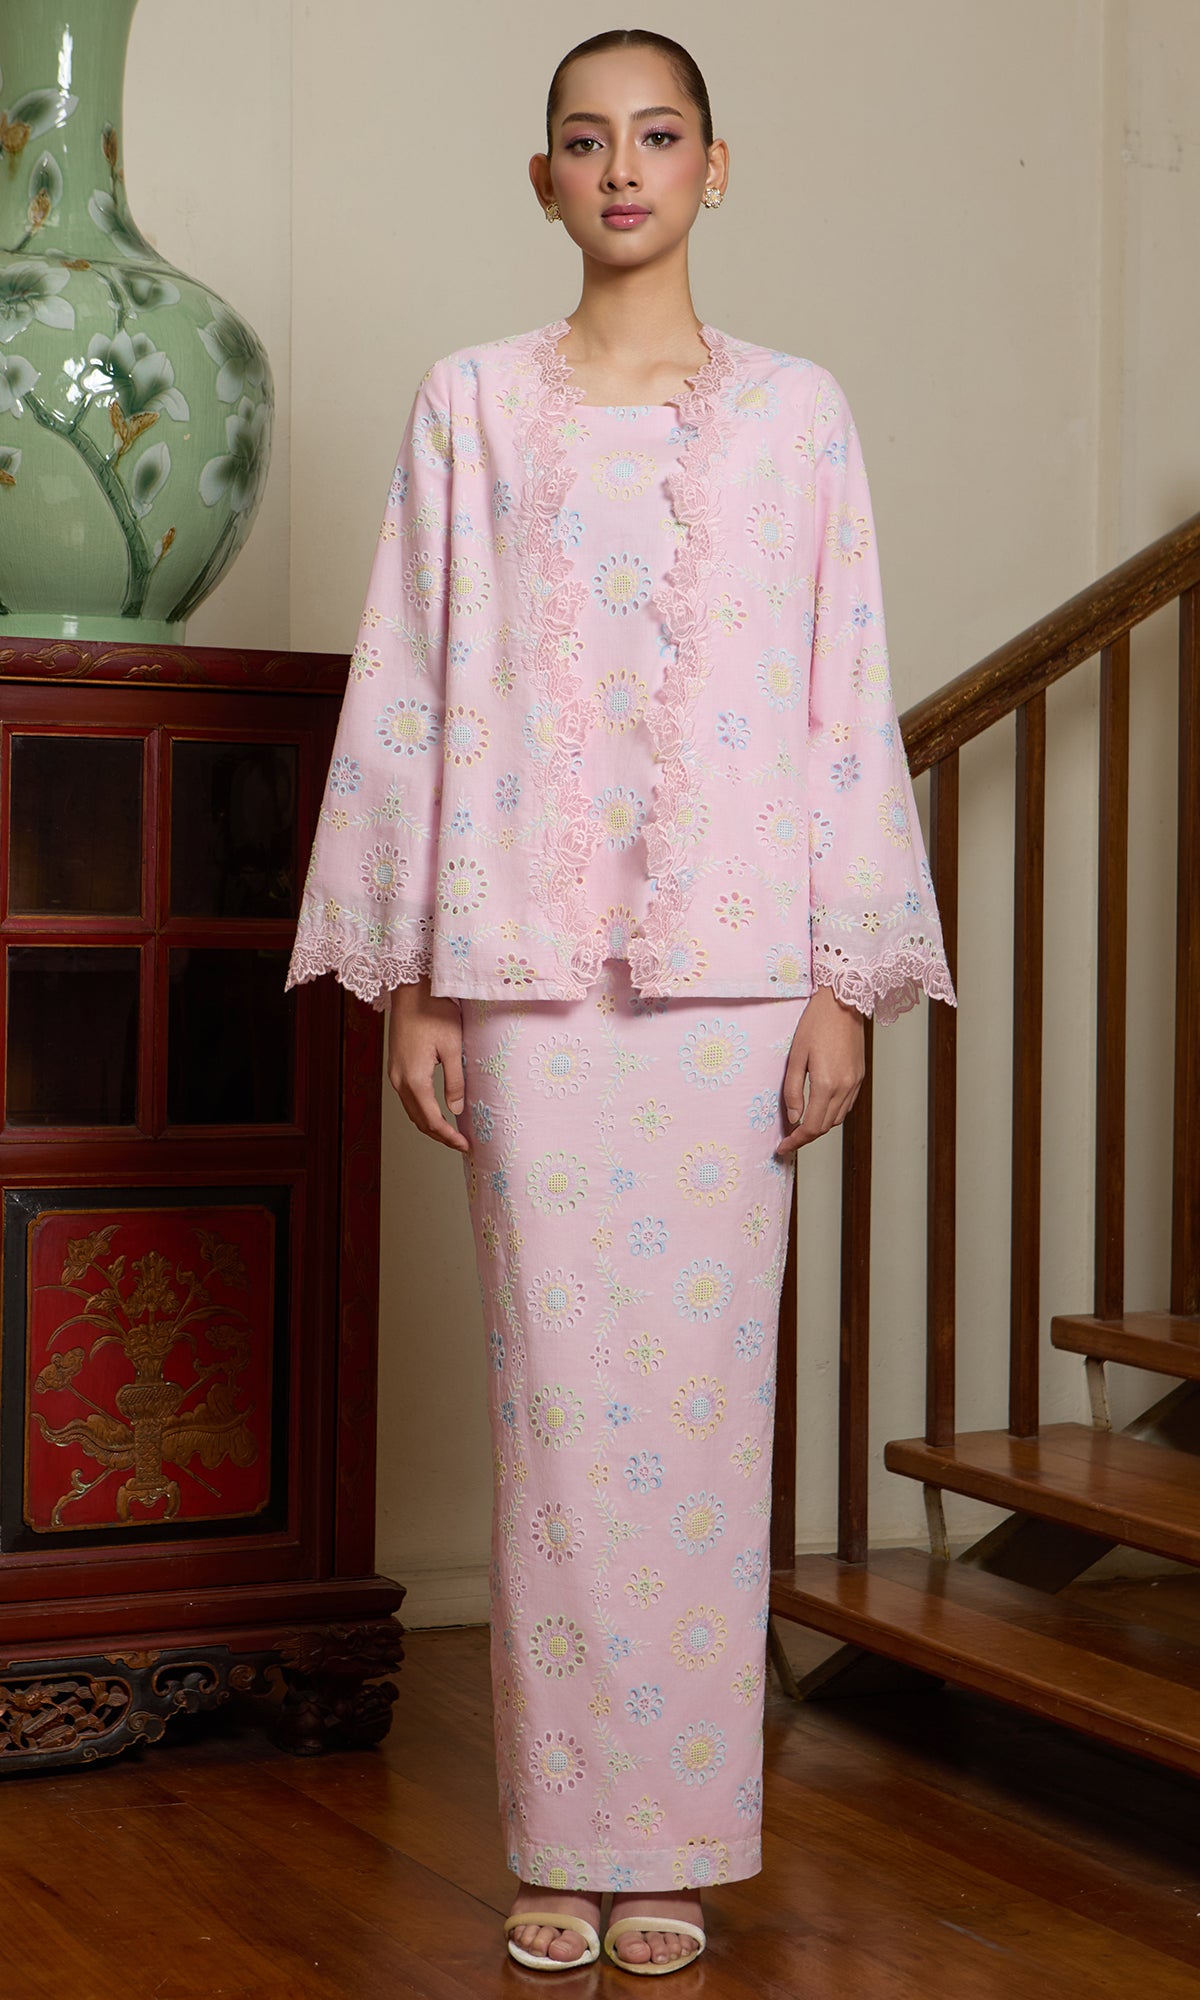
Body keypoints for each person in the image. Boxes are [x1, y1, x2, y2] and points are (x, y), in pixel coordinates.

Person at [286, 25, 956, 1976]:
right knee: (557, 1414)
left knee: (704, 1410)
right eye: (588, 140)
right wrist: (416, 983)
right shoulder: (471, 407)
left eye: (659, 136)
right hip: (524, 971)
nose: (625, 167)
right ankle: (562, 1838)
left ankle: (672, 1839)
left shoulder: (797, 417)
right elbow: (412, 683)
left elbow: (843, 694)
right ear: (546, 179)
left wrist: (842, 983)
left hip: (737, 975)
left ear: (713, 168)